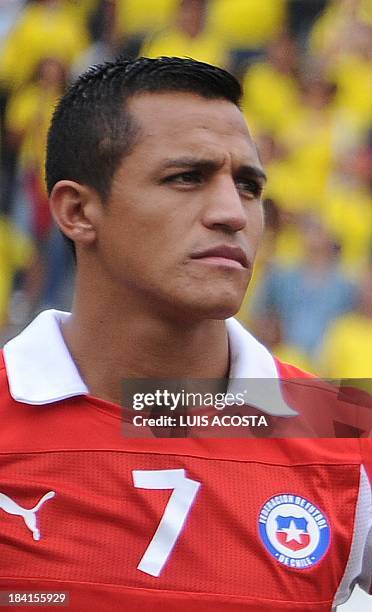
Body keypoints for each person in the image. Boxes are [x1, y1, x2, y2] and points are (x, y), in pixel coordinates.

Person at [0, 57, 370, 611]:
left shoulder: (347, 431)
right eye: (186, 178)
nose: (232, 214)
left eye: (248, 186)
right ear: (77, 211)